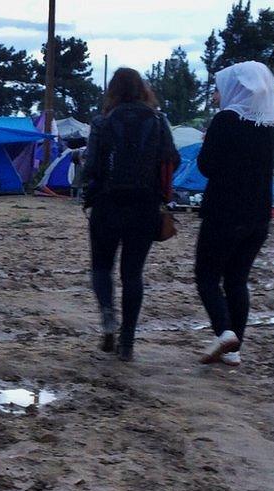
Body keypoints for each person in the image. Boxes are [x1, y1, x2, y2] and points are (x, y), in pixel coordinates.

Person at [82, 67, 179, 361]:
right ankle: (127, 341)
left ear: (113, 91)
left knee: (101, 267)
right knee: (132, 273)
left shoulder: (102, 121)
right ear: (142, 90)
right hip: (145, 205)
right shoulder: (159, 120)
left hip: (107, 204)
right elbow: (172, 158)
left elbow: (92, 167)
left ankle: (108, 316)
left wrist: (87, 194)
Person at [195, 61, 274, 366]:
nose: (218, 93)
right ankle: (234, 350)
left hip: (224, 213)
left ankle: (225, 333)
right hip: (259, 215)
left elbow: (205, 166)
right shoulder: (267, 125)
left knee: (206, 276)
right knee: (237, 279)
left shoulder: (226, 121)